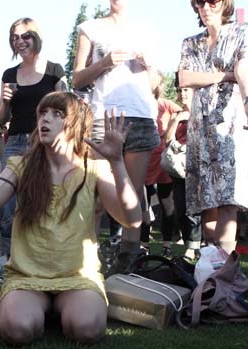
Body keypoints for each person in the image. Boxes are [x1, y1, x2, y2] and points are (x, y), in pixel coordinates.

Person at [0, 92, 141, 345]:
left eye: (57, 114)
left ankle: (66, 310)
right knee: (17, 330)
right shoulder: (21, 166)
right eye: (42, 113)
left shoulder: (94, 168)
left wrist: (117, 162)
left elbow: (132, 219)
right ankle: (41, 310)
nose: (46, 119)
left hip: (79, 278)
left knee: (86, 329)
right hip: (26, 278)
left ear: (76, 124)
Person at [73, 0, 161, 273]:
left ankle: (128, 262)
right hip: (102, 117)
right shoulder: (90, 28)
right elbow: (77, 79)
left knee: (132, 195)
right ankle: (85, 258)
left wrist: (149, 66)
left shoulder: (147, 32)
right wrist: (105, 62)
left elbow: (157, 83)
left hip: (140, 117)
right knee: (96, 194)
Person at [178, 0, 248, 254]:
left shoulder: (241, 31)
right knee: (206, 200)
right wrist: (226, 76)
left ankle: (224, 262)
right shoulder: (190, 42)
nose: (206, 7)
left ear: (224, 3)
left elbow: (244, 69)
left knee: (227, 197)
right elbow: (185, 78)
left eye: (212, 1)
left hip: (230, 123)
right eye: (199, 2)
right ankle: (211, 259)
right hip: (200, 126)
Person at [0, 17, 67, 257]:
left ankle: (41, 254)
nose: (20, 41)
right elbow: (2, 119)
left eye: (25, 36)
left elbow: (66, 109)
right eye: (15, 37)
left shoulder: (54, 70)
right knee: (8, 202)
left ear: (37, 37)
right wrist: (5, 101)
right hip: (15, 139)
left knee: (44, 195)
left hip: (44, 142)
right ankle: (8, 257)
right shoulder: (9, 74)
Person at [141, 71, 180, 257]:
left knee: (168, 204)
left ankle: (166, 245)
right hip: (145, 159)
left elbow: (185, 113)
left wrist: (171, 130)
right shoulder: (139, 102)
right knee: (143, 204)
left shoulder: (167, 105)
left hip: (164, 161)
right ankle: (143, 245)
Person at [164, 78, 202, 261]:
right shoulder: (176, 115)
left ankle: (196, 245)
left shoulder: (201, 111)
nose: (182, 94)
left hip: (197, 164)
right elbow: (166, 140)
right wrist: (178, 119)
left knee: (196, 205)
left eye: (186, 90)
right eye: (180, 91)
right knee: (181, 205)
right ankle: (189, 242)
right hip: (179, 167)